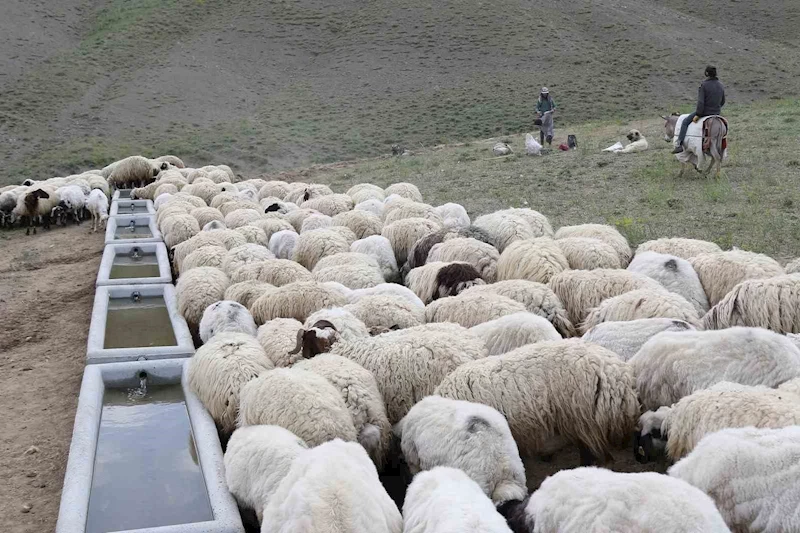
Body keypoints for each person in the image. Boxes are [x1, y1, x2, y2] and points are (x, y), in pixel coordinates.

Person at [673, 66, 725, 154]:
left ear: (706, 73)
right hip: (717, 113)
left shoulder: (704, 85)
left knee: (685, 121)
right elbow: (723, 101)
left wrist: (698, 113)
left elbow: (701, 102)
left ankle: (679, 144)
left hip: (705, 112)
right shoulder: (720, 85)